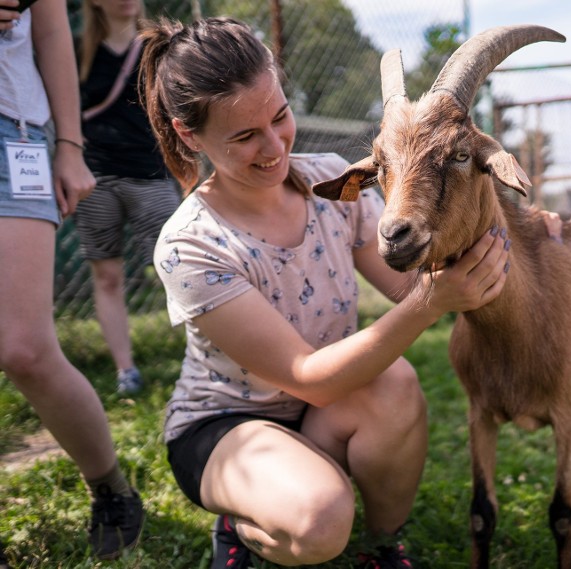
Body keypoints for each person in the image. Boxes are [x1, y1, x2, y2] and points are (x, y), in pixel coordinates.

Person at [139, 16, 513, 569]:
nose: (273, 147)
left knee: (397, 384)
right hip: (227, 426)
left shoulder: (328, 182)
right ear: (189, 134)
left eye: (280, 116)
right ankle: (241, 525)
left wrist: (516, 228)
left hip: (325, 407)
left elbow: (402, 281)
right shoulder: (191, 246)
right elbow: (309, 378)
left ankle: (383, 547)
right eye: (244, 136)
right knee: (320, 523)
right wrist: (432, 302)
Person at [0, 0, 144, 563]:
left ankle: (111, 487)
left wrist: (69, 143)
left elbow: (53, 24)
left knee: (24, 348)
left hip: (14, 130)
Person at [75, 0, 180, 395]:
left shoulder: (158, 46)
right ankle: (126, 372)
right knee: (107, 276)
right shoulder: (73, 50)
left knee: (179, 266)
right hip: (95, 177)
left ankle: (204, 355)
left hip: (151, 176)